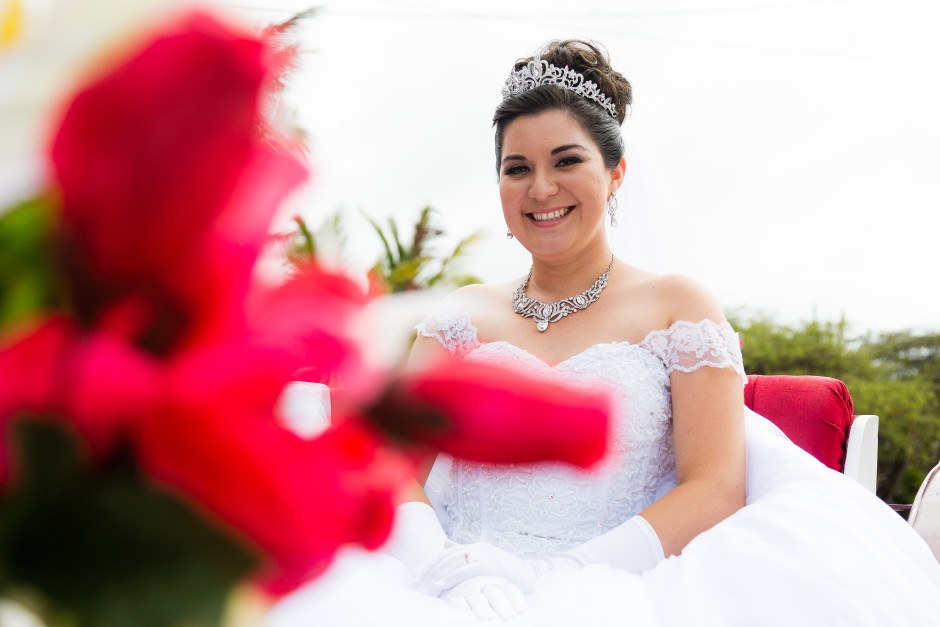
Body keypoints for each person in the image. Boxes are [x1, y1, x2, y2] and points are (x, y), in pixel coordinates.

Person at [267, 40, 940, 626]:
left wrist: (564, 575)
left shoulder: (679, 304)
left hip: (621, 584)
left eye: (566, 160)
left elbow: (714, 487)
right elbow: (388, 463)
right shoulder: (459, 316)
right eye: (517, 167)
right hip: (449, 585)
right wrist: (446, 566)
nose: (541, 188)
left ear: (615, 172)